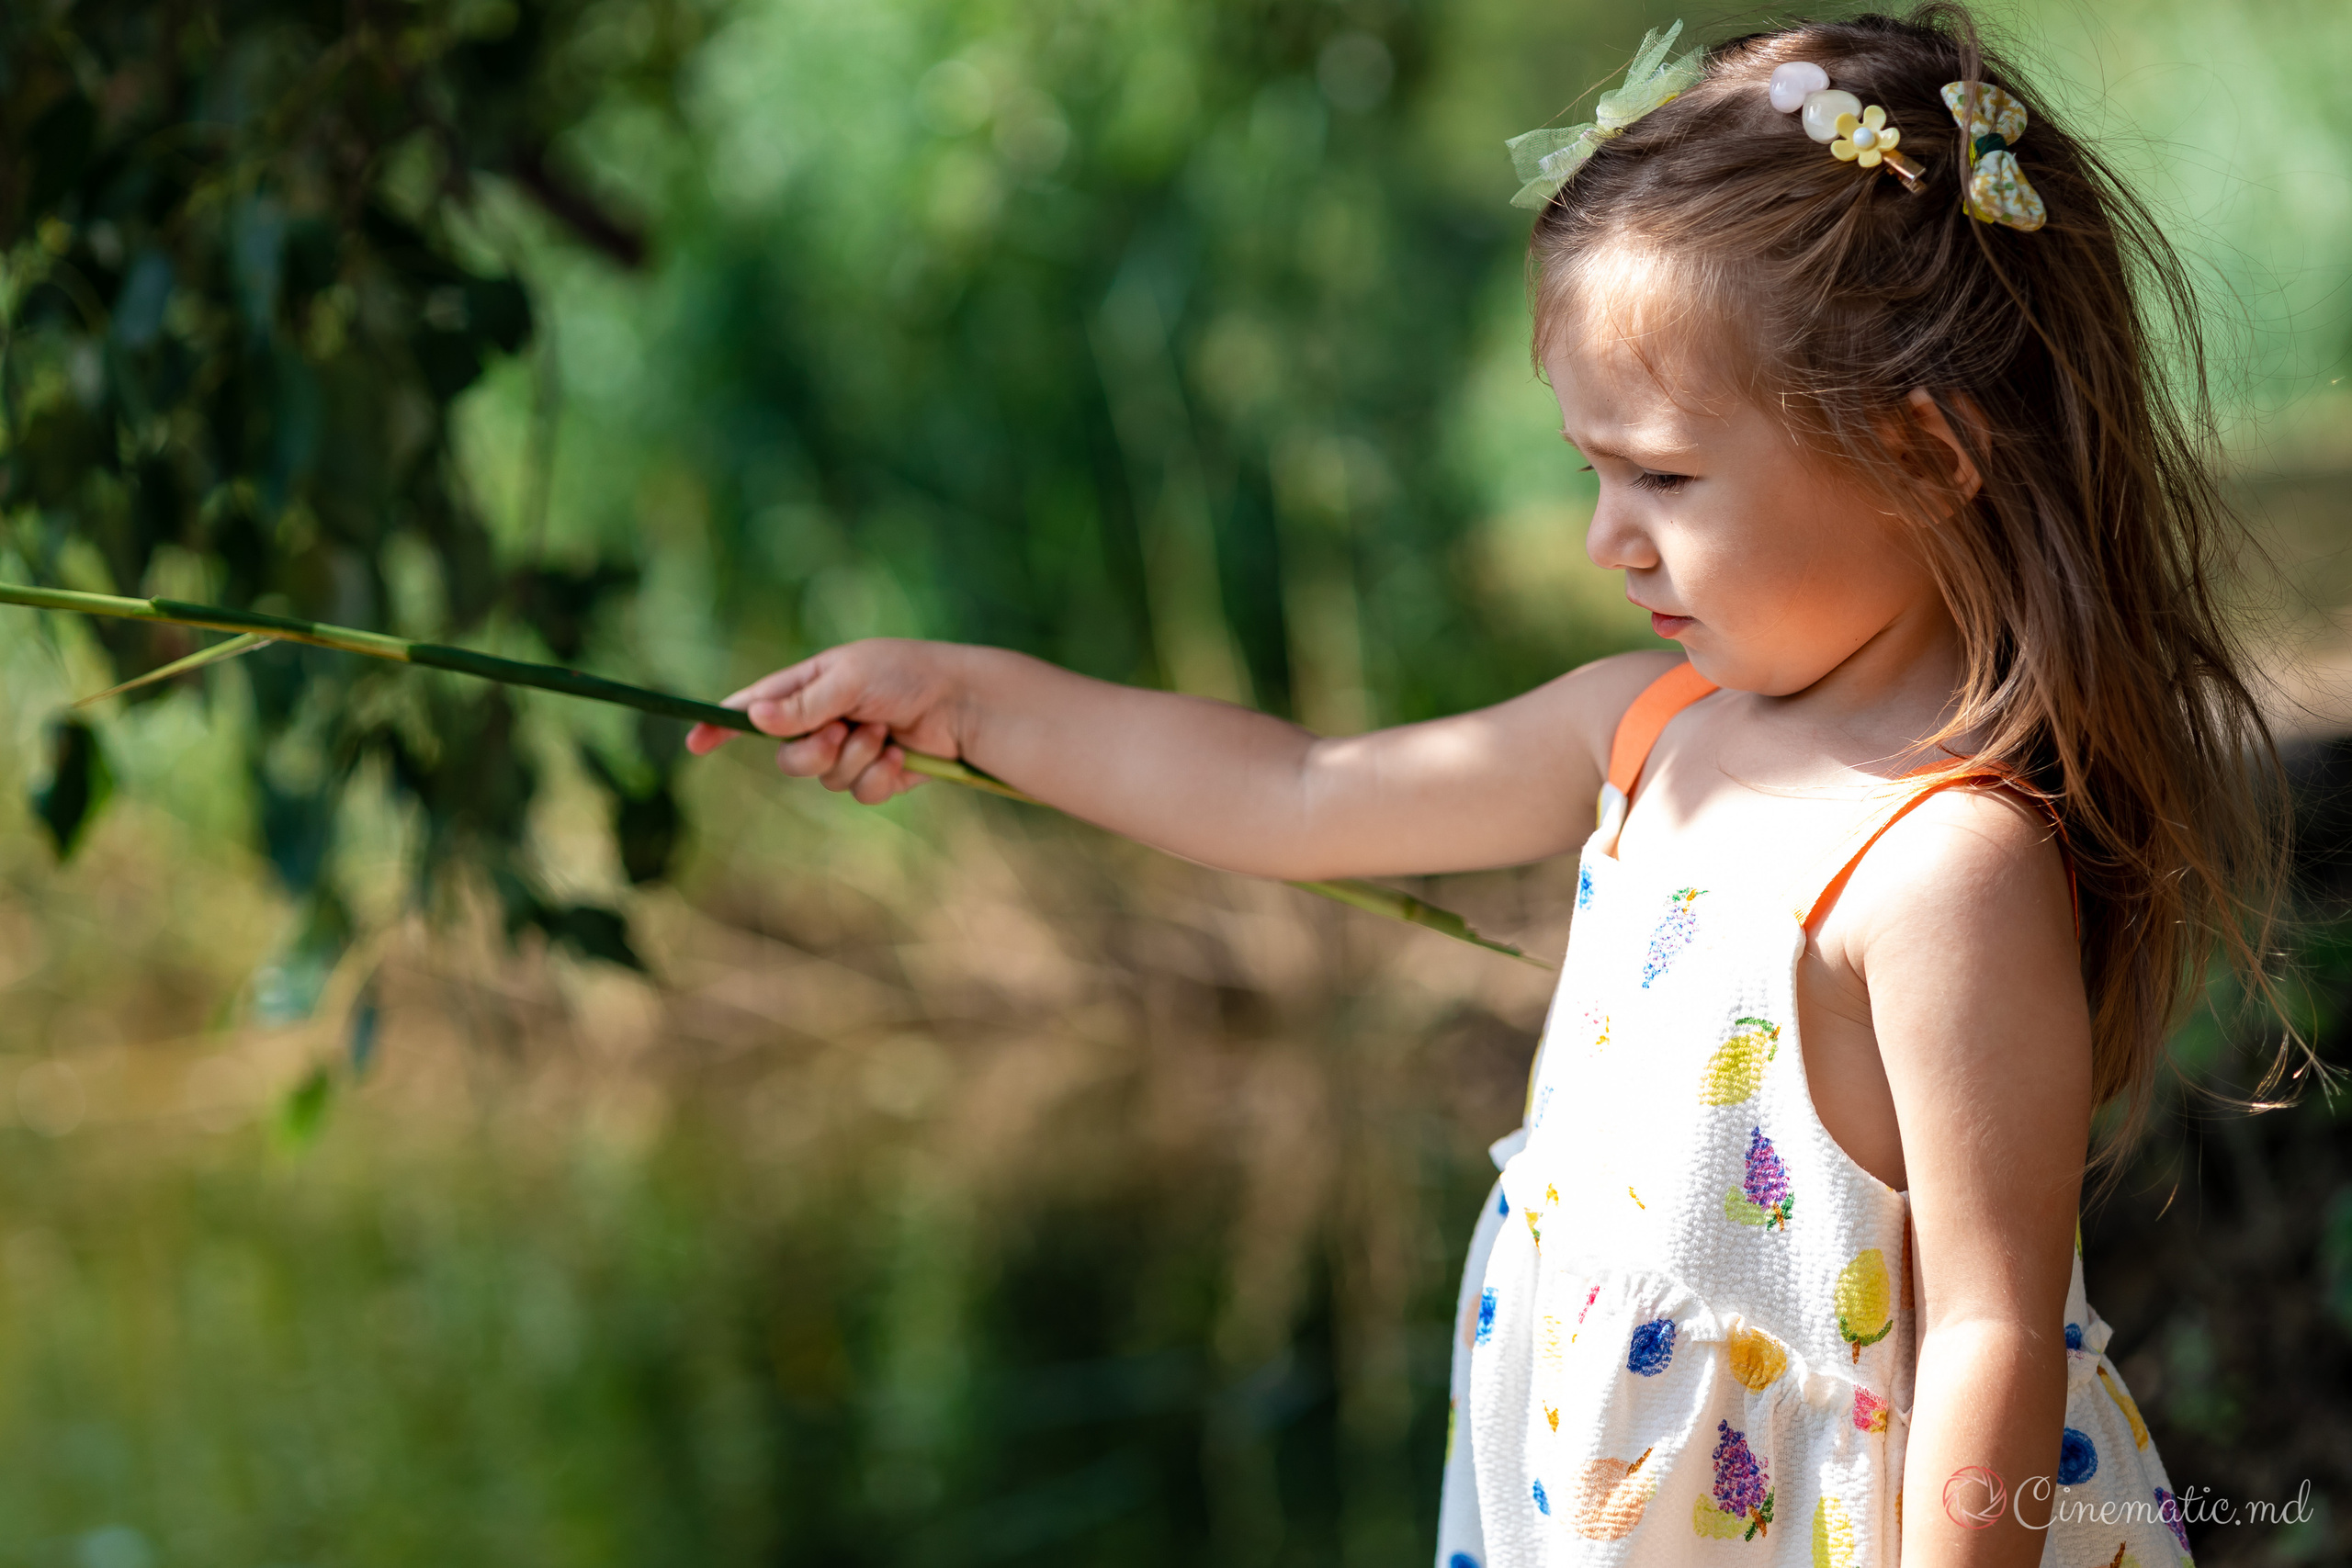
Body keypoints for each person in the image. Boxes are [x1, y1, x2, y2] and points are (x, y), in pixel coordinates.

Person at [688, 6, 2299, 1562]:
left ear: (1932, 456)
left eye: (1663, 477)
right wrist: (971, 700)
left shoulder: (1939, 867)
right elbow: (1302, 792)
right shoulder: (1644, 727)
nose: (1609, 536)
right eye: (1590, 468)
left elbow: (1989, 1332)